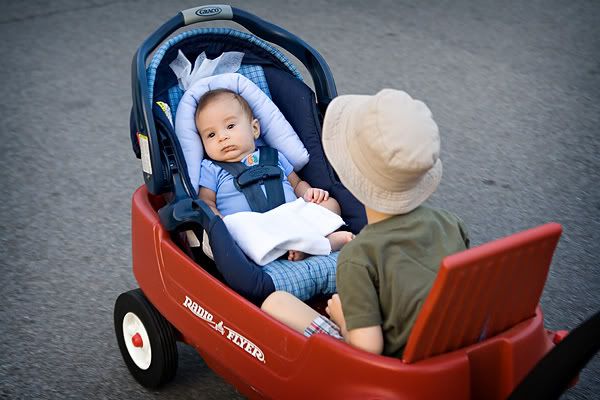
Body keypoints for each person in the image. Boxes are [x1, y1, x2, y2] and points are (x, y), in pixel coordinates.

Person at [261, 89, 470, 357]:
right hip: (442, 342)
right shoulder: (450, 223)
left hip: (391, 361)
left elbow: (368, 348)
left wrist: (341, 316)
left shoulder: (358, 256)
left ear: (349, 178)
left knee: (276, 302)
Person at [195, 88, 353, 261]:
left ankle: (307, 244)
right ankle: (322, 245)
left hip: (291, 219)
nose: (222, 137)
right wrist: (220, 221)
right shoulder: (211, 168)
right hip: (253, 226)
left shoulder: (274, 155)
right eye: (211, 134)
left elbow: (296, 184)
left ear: (255, 128)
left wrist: (309, 194)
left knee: (330, 204)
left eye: (230, 126)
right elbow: (206, 201)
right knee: (233, 228)